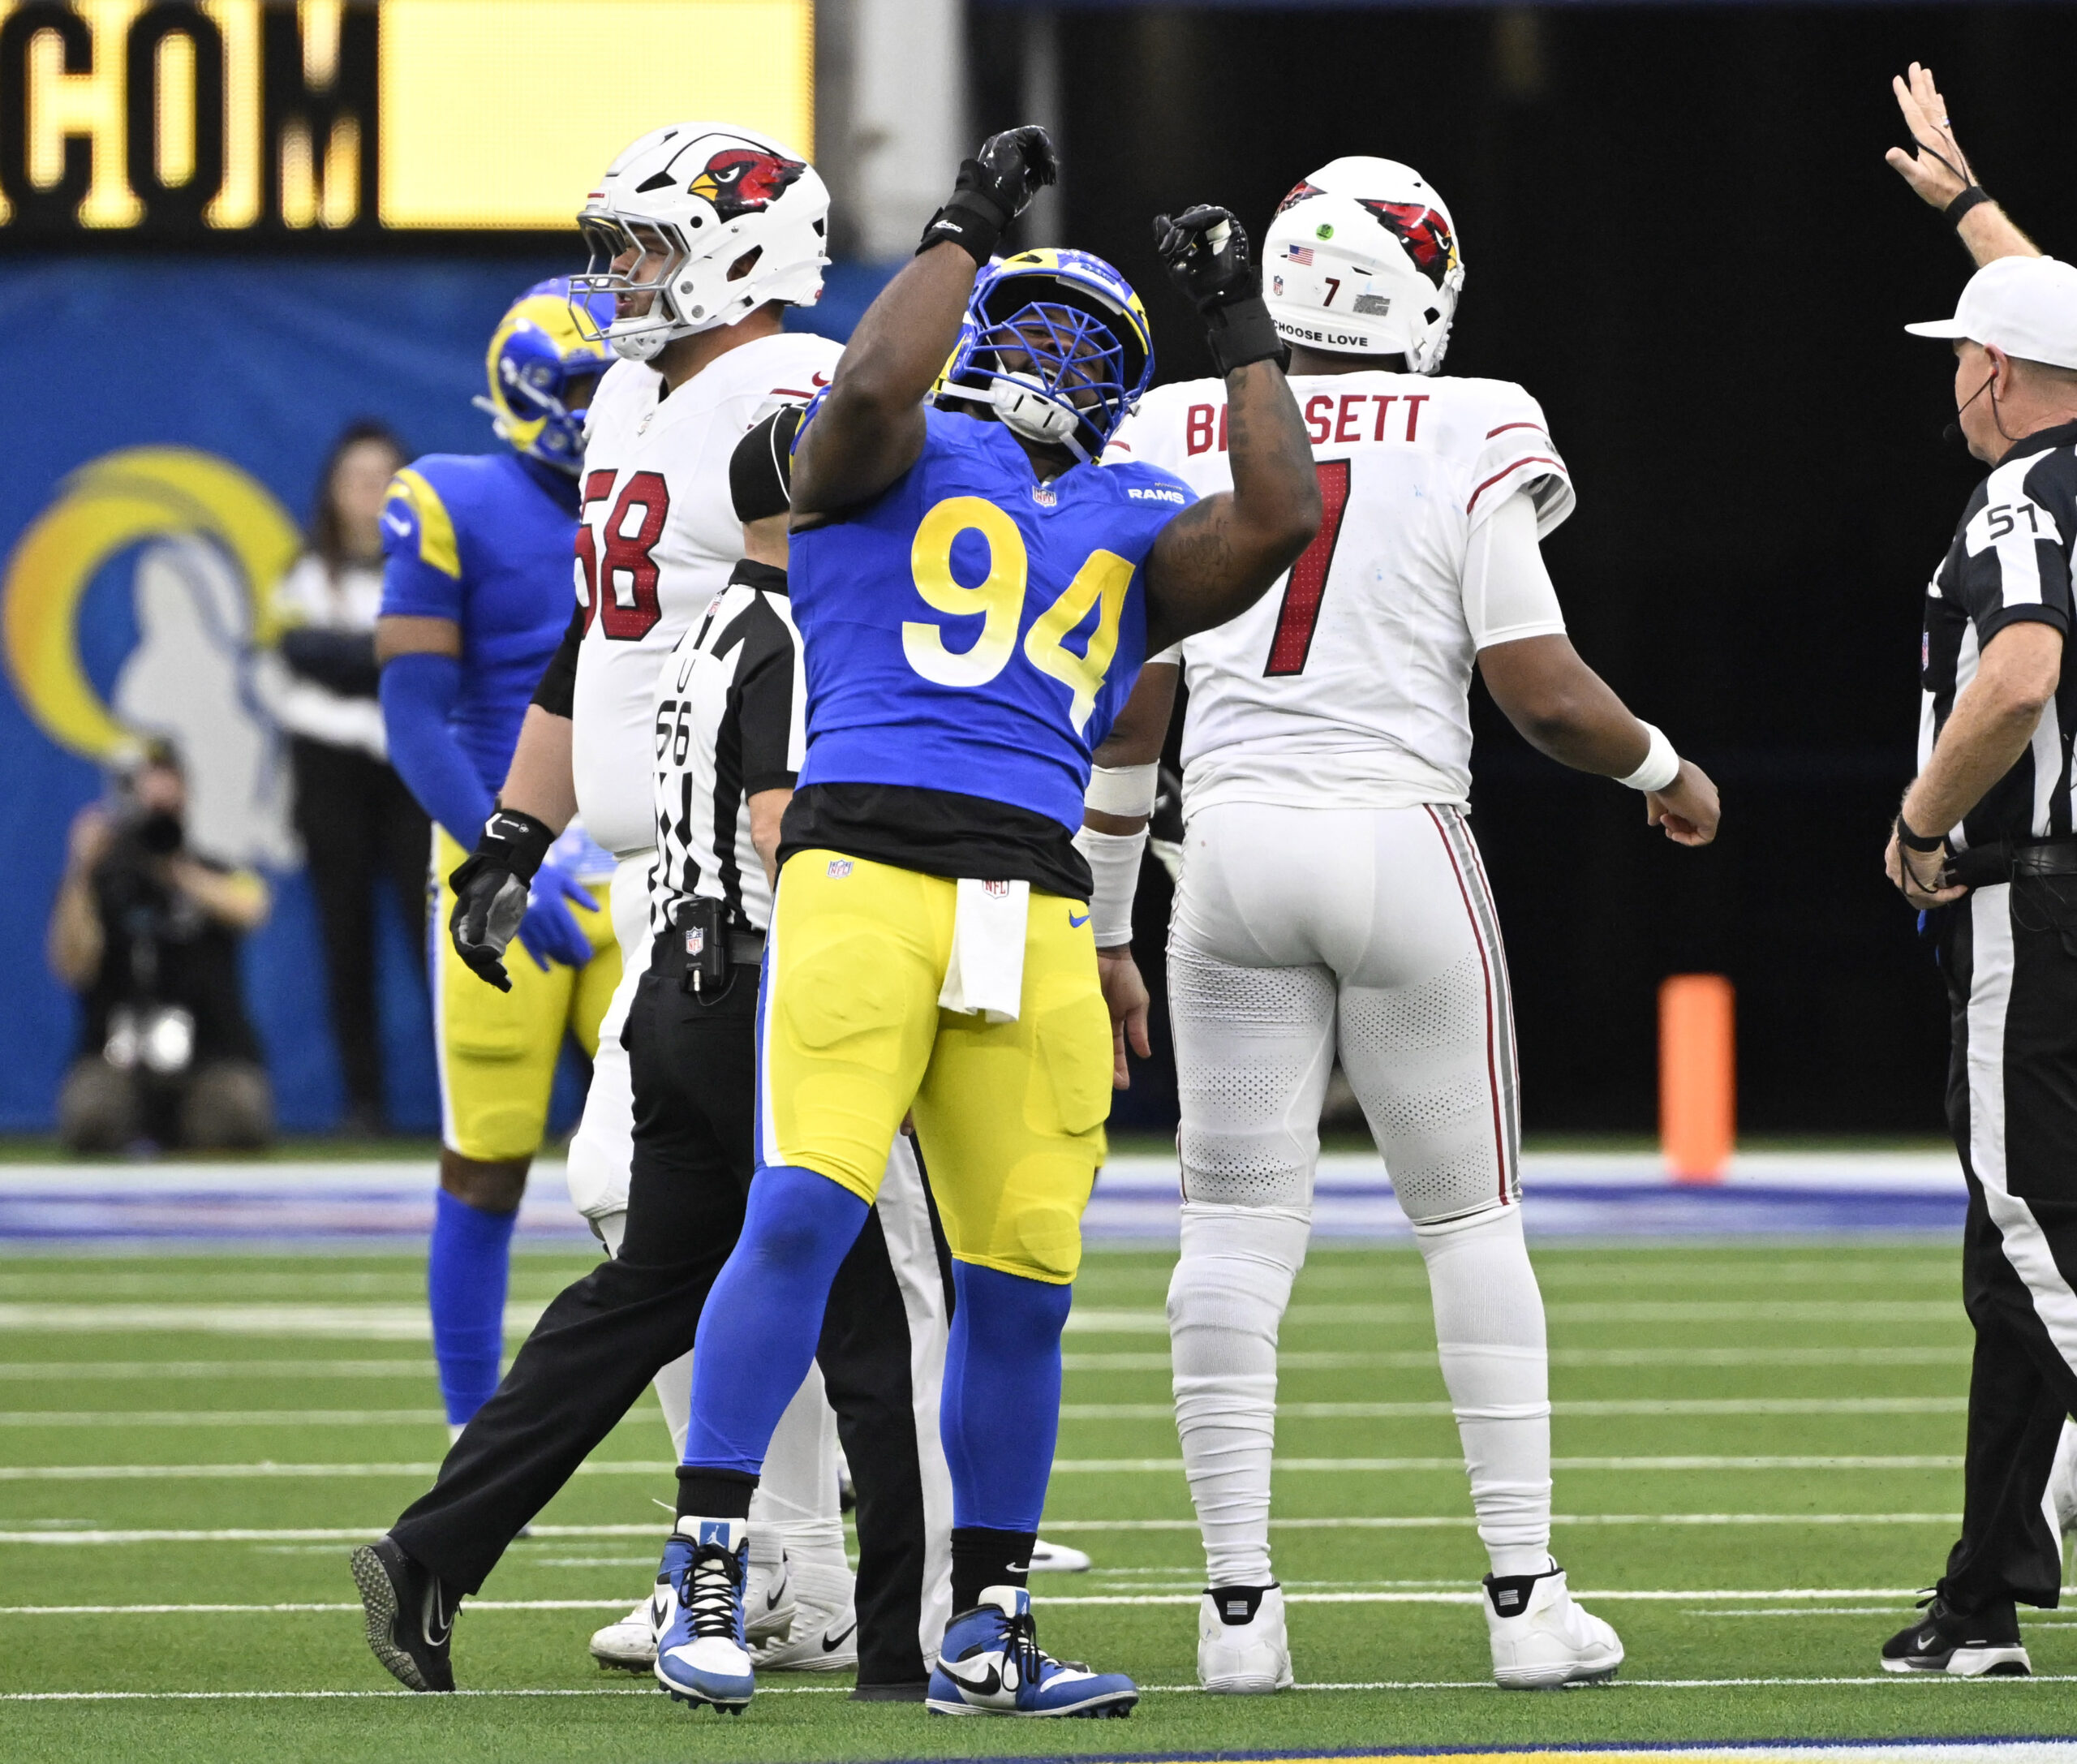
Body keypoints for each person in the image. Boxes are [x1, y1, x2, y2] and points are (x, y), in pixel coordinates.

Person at [647, 125, 1320, 1719]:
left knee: (1020, 1277)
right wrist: (960, 222)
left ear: (1123, 388)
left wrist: (1241, 328)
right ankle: (704, 1556)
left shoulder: (1135, 506)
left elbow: (1282, 516)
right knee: (802, 1209)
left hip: (1032, 895)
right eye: (1025, 318)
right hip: (865, 865)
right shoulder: (868, 445)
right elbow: (874, 389)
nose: (1050, 354)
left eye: (1092, 341)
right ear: (969, 322)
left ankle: (986, 1617)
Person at [351, 122, 962, 1697]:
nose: (618, 274)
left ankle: (822, 1572)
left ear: (748, 249)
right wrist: (508, 826)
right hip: (677, 878)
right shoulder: (635, 395)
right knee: (702, 1227)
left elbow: (849, 549)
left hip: (770, 863)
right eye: (613, 243)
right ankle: (804, 1574)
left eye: (646, 243)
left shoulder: (779, 396)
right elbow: (591, 643)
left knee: (822, 1242)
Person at [1099, 156, 1720, 1693]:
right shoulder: (1472, 421)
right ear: (1418, 286)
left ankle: (1238, 1613)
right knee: (1469, 1217)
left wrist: (1109, 907)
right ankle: (1524, 1598)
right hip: (1398, 839)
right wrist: (1666, 766)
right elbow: (1541, 686)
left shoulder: (1184, 423)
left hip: (1226, 847)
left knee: (1231, 1235)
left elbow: (1136, 707)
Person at [1874, 64, 2077, 1678]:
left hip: (2035, 891)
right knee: (2005, 1263)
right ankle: (1980, 1594)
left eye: (1964, 361)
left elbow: (2011, 676)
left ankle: (1980, 1586)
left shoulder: (2021, 488)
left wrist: (1919, 824)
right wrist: (1964, 211)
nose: (1952, 387)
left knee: (2026, 1232)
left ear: (1997, 375)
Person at [372, 281, 623, 1441]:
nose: (605, 405)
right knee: (487, 1163)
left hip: (639, 852)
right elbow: (415, 715)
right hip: (497, 854)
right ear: (526, 389)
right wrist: (500, 854)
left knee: (703, 1169)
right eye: (584, 384)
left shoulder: (657, 485)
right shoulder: (448, 498)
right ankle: (476, 1440)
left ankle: (775, 1463)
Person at [270, 419, 427, 1135]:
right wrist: (380, 654)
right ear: (332, 492)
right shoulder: (304, 571)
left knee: (433, 933)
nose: (368, 495)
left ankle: (465, 1101)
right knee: (345, 938)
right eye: (354, 481)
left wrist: (365, 655)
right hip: (327, 768)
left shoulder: (428, 565)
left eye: (382, 479)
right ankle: (363, 1104)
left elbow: (427, 656)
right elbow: (300, 653)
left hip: (411, 763)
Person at [48, 741, 273, 1151]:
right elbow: (71, 962)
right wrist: (80, 869)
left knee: (237, 1120)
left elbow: (253, 906)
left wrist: (177, 873)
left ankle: (186, 1126)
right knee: (91, 1120)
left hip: (208, 1056)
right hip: (117, 1057)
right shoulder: (100, 882)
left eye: (169, 791)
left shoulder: (211, 870)